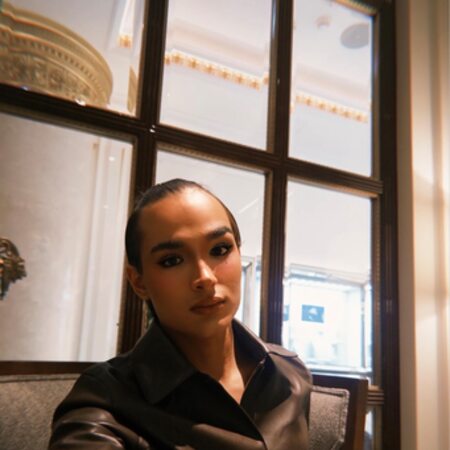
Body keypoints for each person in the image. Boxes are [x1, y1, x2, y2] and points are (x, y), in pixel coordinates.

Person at [48, 178, 312, 450]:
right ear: (139, 282)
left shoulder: (289, 374)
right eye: (172, 260)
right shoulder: (104, 403)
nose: (205, 277)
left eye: (220, 249)